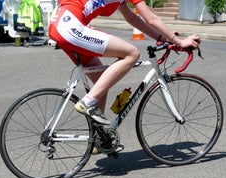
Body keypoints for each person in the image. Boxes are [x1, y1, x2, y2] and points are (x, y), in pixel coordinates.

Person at [49, 0, 200, 125]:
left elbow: (132, 18)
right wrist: (179, 42)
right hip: (71, 27)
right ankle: (87, 102)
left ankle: (97, 138)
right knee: (132, 53)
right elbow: (151, 19)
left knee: (102, 81)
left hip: (61, 25)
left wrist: (163, 39)